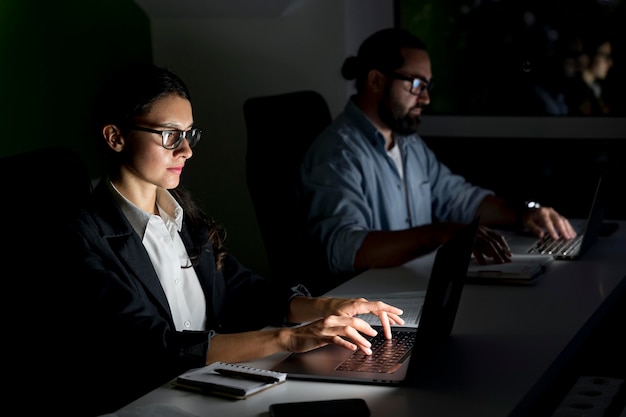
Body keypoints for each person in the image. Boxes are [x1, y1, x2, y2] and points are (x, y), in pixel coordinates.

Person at [52, 63, 404, 416]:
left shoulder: (180, 214)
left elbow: (237, 288)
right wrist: (290, 338)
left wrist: (324, 308)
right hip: (146, 402)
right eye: (170, 135)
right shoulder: (79, 237)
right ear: (116, 137)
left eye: (190, 134)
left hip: (204, 388)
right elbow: (154, 345)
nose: (186, 150)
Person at [298, 28, 576, 295]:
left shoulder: (408, 144)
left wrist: (525, 213)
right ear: (375, 80)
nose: (426, 98)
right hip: (369, 305)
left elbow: (459, 198)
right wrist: (437, 234)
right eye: (417, 84)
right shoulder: (337, 152)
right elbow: (344, 250)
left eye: (428, 86)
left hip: (414, 286)